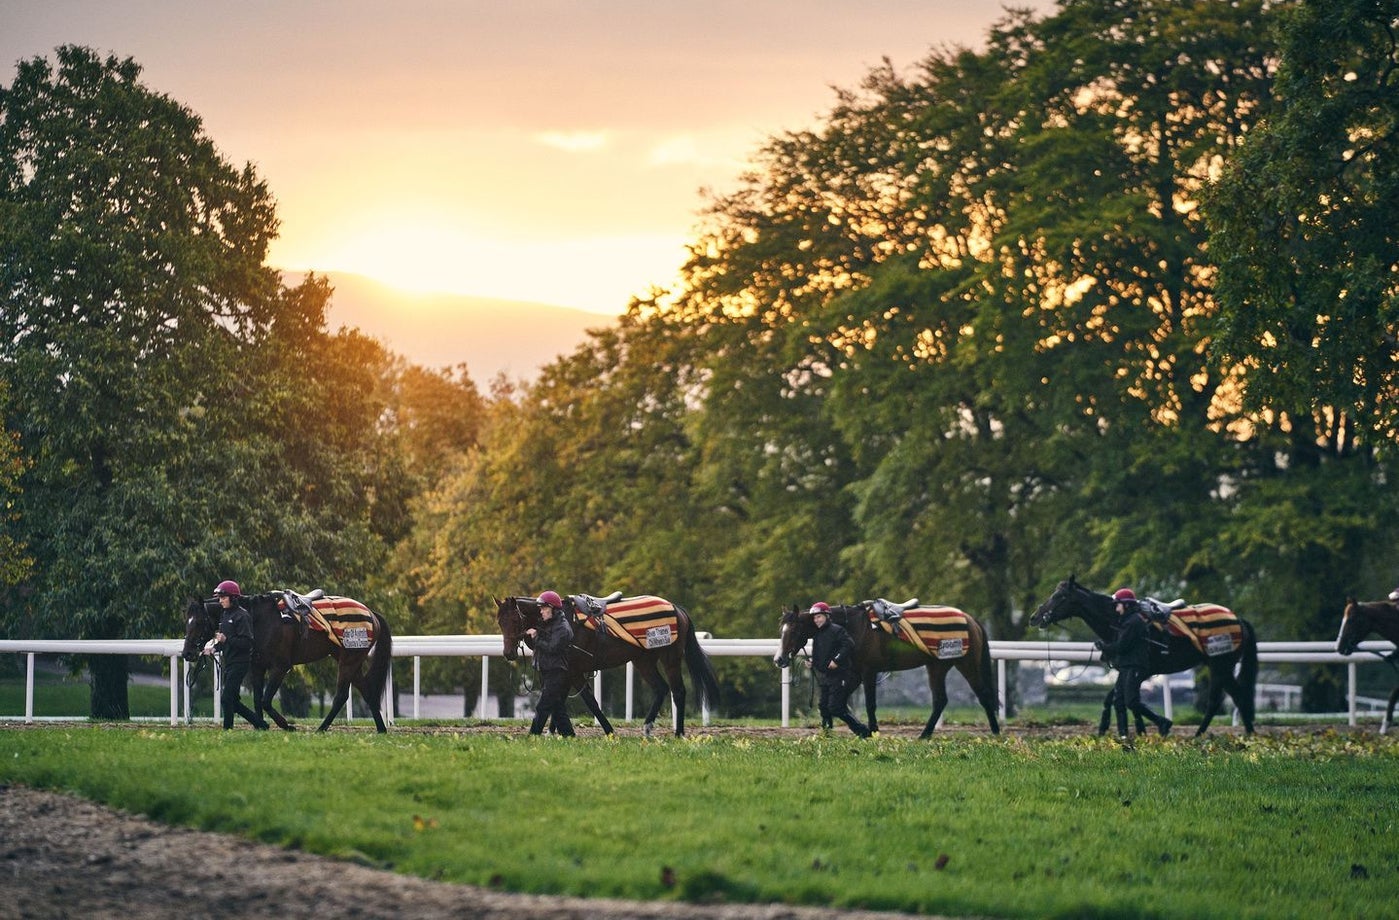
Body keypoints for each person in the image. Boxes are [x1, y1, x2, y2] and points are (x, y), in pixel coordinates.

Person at [1097, 588, 1171, 740]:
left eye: (1118, 605)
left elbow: (1121, 646)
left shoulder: (1133, 622)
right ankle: (1123, 735)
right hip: (1127, 666)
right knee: (1118, 701)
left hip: (1134, 666)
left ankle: (1161, 721)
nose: (1116, 608)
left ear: (1126, 605)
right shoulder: (1129, 620)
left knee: (1131, 701)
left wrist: (1104, 647)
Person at [210, 580, 269, 731]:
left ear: (233, 598)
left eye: (223, 597)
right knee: (233, 702)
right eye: (220, 597)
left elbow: (247, 643)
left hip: (240, 663)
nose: (220, 600)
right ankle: (261, 724)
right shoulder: (225, 615)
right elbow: (225, 642)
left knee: (226, 698)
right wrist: (214, 648)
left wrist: (226, 639)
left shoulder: (242, 616)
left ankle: (227, 729)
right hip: (229, 662)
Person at [808, 602, 871, 739]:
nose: (816, 620)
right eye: (815, 618)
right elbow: (820, 655)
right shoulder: (818, 635)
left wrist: (837, 660)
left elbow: (848, 644)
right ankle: (827, 734)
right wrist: (813, 663)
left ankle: (864, 732)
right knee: (823, 706)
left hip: (840, 675)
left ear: (827, 616)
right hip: (826, 677)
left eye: (819, 617)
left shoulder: (837, 630)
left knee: (835, 707)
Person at [526, 591, 576, 738]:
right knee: (557, 708)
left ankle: (533, 736)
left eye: (543, 608)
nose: (541, 611)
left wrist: (535, 638)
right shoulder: (551, 624)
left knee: (543, 706)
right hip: (548, 671)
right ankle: (569, 735)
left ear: (552, 608)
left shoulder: (562, 628)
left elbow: (552, 648)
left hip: (556, 672)